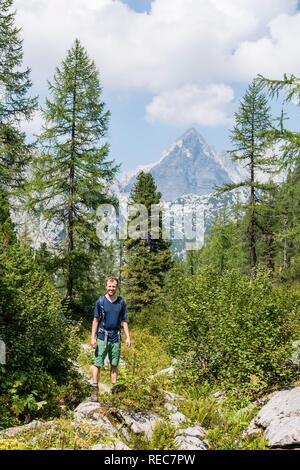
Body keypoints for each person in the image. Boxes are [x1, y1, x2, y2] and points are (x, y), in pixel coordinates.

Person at [90, 276, 131, 402]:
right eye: (109, 286)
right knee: (98, 363)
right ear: (106, 286)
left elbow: (124, 321)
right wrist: (93, 337)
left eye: (114, 286)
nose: (111, 288)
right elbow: (96, 320)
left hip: (115, 337)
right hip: (102, 336)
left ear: (117, 287)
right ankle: (95, 391)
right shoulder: (100, 301)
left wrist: (128, 337)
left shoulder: (121, 302)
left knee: (114, 364)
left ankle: (114, 391)